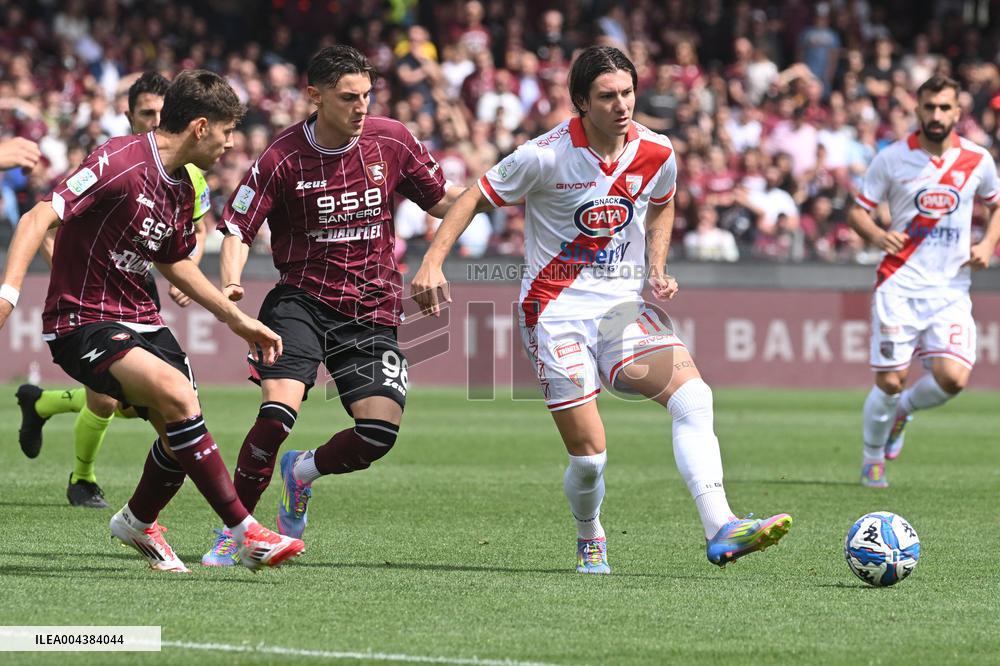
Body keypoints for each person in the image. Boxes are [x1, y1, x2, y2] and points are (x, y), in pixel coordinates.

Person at [411, 46, 792, 573]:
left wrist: (656, 264)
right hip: (553, 313)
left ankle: (720, 525)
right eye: (608, 96)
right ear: (581, 103)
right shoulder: (544, 154)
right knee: (591, 459)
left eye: (628, 93)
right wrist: (432, 261)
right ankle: (590, 532)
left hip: (620, 308)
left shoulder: (657, 150)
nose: (622, 105)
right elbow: (474, 196)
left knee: (694, 398)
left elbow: (663, 201)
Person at [0, 70, 304, 572]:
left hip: (142, 317)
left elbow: (174, 260)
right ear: (201, 127)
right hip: (83, 317)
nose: (231, 145)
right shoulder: (118, 160)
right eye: (228, 132)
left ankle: (137, 521)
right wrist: (9, 297)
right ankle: (244, 531)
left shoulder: (184, 187)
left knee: (180, 429)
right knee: (178, 396)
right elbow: (38, 217)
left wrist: (237, 319)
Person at [201, 45, 463, 566]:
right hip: (301, 301)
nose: (361, 107)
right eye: (349, 97)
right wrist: (231, 284)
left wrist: (511, 191)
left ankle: (301, 472)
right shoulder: (282, 157)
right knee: (277, 415)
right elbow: (236, 228)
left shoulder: (392, 140)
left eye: (367, 95)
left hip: (371, 308)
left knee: (377, 435)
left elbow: (444, 200)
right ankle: (234, 534)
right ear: (315, 96)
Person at [15, 71, 214, 509]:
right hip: (94, 294)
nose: (154, 119)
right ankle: (82, 480)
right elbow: (49, 222)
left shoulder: (192, 175)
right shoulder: (111, 161)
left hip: (139, 288)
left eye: (162, 113)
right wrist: (73, 276)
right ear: (128, 115)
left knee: (127, 404)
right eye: (146, 112)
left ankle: (42, 405)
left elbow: (195, 233)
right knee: (106, 400)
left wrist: (194, 272)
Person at [848, 75, 1000, 488]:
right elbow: (858, 212)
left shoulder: (977, 160)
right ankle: (872, 457)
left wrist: (988, 244)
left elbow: (995, 205)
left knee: (954, 379)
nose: (936, 115)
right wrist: (878, 236)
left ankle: (903, 412)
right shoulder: (892, 158)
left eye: (944, 107)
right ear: (917, 109)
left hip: (951, 288)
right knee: (891, 380)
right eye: (929, 107)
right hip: (898, 283)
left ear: (957, 111)